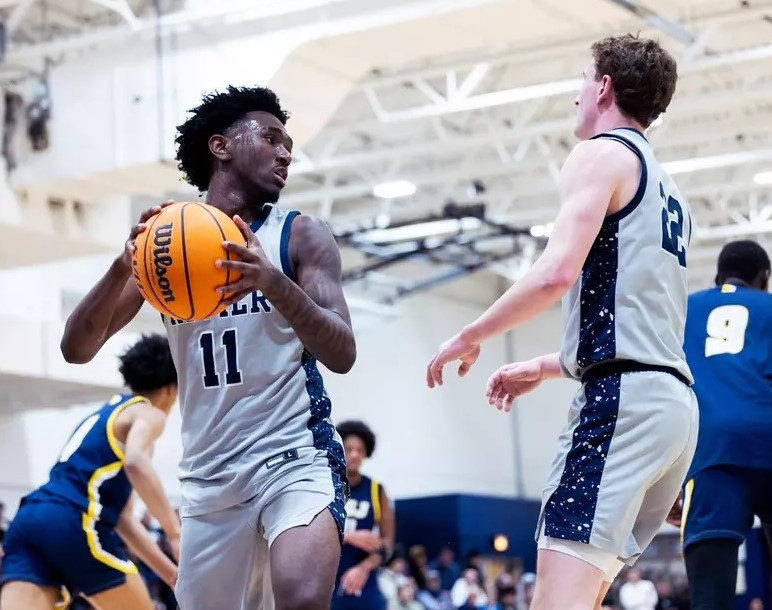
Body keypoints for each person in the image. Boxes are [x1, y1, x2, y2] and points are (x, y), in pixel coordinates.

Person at [426, 33, 698, 610]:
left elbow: (555, 275)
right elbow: (641, 327)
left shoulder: (602, 154)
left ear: (603, 87)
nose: (577, 95)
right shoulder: (668, 188)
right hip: (671, 408)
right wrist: (547, 366)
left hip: (622, 405)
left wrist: (471, 334)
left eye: (583, 80)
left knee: (555, 603)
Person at [59, 85, 356, 610]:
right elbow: (76, 348)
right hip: (209, 477)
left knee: (303, 598)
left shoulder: (299, 235)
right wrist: (123, 265)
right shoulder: (168, 242)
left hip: (294, 455)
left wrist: (273, 282)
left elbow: (343, 353)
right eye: (271, 139)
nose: (285, 153)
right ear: (221, 146)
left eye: (289, 145)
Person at [0, 334, 180, 610]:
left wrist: (171, 574)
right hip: (73, 520)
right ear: (172, 389)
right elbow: (135, 462)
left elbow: (124, 522)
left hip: (30, 518)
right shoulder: (147, 412)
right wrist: (174, 532)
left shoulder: (106, 413)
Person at [667, 241, 772, 610]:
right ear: (764, 278)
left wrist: (665, 479)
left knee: (710, 598)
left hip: (710, 452)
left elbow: (662, 390)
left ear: (718, 276)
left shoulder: (682, 312)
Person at [333, 420, 395, 610]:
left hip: (364, 577)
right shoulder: (326, 486)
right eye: (349, 449)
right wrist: (350, 537)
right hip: (329, 575)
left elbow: (387, 544)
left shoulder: (376, 490)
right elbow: (310, 536)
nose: (355, 454)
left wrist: (363, 568)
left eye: (360, 450)